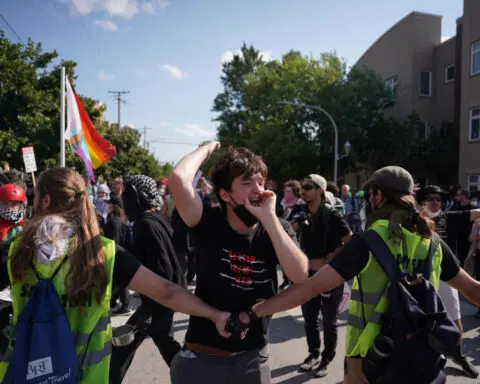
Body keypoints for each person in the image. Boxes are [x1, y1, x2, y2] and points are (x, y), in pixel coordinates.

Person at [237, 166, 480, 384]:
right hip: (422, 359)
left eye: (369, 194)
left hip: (370, 362)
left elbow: (310, 288)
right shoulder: (433, 242)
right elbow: (472, 290)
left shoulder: (369, 241)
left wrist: (255, 312)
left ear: (378, 196)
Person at [0, 168, 232, 383]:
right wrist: (215, 314)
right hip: (86, 375)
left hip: (24, 372)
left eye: (36, 196)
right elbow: (167, 292)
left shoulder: (16, 250)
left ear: (47, 200)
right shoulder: (102, 252)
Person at [168, 142, 309, 384]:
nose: (258, 190)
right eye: (247, 183)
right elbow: (178, 178)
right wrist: (207, 148)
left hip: (252, 359)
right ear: (225, 194)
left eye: (261, 182)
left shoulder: (275, 227)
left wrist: (270, 219)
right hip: (201, 357)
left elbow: (300, 275)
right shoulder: (208, 220)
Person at [110, 175, 187, 382]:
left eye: (126, 196)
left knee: (121, 350)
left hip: (157, 301)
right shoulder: (156, 219)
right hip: (160, 300)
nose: (124, 203)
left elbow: (163, 269)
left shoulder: (146, 224)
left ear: (137, 196)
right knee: (165, 344)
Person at [291, 174, 352, 378]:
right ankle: (313, 354)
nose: (304, 190)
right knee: (309, 318)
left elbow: (349, 241)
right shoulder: (300, 213)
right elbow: (287, 237)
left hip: (330, 274)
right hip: (307, 274)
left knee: (329, 321)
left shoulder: (333, 215)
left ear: (320, 190)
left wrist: (326, 260)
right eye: (303, 186)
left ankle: (326, 359)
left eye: (309, 187)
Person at [421, 185, 478, 378]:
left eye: (438, 199)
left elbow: (476, 212)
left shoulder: (450, 217)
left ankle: (458, 354)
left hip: (447, 276)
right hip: (422, 277)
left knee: (454, 316)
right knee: (420, 320)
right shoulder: (414, 219)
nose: (435, 202)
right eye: (430, 198)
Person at [0, 184, 26, 358]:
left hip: (16, 292)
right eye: (6, 204)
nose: (10, 208)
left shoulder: (26, 229)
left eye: (14, 204)